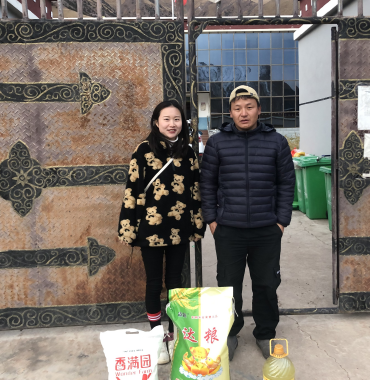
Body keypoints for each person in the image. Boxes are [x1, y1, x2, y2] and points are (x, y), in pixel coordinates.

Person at [200, 85, 295, 360]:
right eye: (238, 108)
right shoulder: (217, 143)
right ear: (230, 112)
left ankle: (265, 333)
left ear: (259, 110)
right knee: (228, 284)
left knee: (266, 284)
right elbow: (207, 184)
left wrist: (281, 222)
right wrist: (212, 221)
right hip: (228, 229)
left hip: (267, 229)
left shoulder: (276, 141)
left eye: (249, 107)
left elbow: (286, 183)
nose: (244, 113)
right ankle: (230, 333)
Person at [118, 100, 205, 364]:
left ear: (183, 123)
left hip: (179, 228)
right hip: (151, 229)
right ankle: (157, 337)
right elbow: (132, 189)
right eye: (166, 119)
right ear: (156, 122)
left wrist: (197, 224)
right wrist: (128, 227)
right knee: (154, 283)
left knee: (176, 283)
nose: (172, 124)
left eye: (177, 119)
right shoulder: (143, 150)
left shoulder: (188, 152)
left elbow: (195, 191)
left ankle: (174, 333)